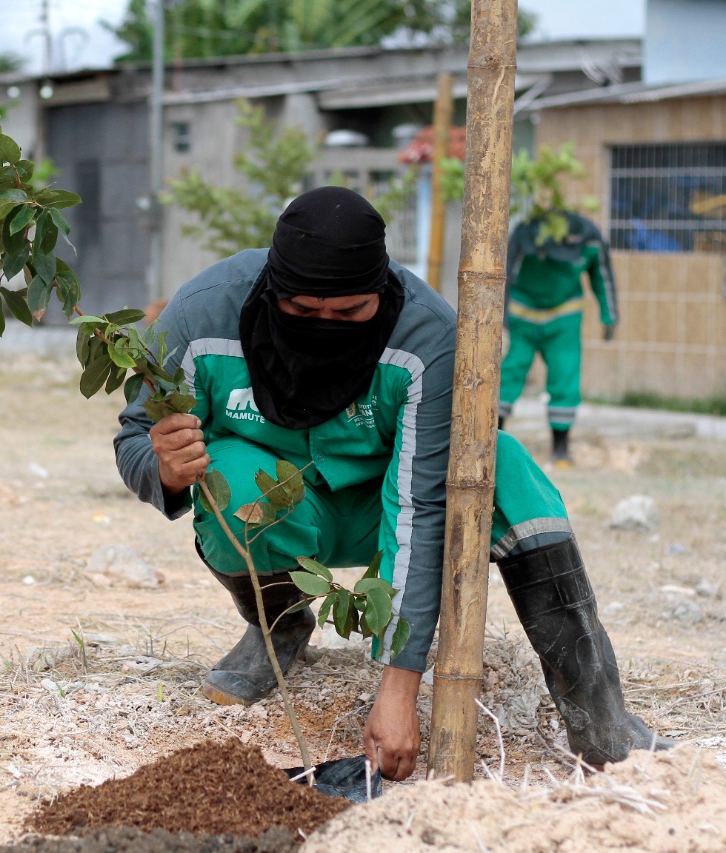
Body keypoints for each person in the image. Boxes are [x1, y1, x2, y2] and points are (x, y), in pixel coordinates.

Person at [114, 186, 670, 781]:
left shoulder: (427, 336)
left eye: (350, 314)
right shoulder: (199, 316)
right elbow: (134, 437)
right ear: (271, 290)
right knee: (235, 486)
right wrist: (163, 469)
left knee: (504, 465)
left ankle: (599, 717)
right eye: (303, 312)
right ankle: (279, 626)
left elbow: (419, 507)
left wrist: (399, 688)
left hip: (388, 515)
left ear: (379, 292)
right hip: (284, 510)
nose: (326, 326)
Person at [499, 210, 618, 465]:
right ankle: (494, 438)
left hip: (564, 317)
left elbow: (602, 277)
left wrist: (610, 316)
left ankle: (561, 449)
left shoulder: (591, 240)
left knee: (565, 377)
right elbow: (504, 275)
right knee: (507, 374)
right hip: (522, 315)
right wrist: (500, 323)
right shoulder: (526, 233)